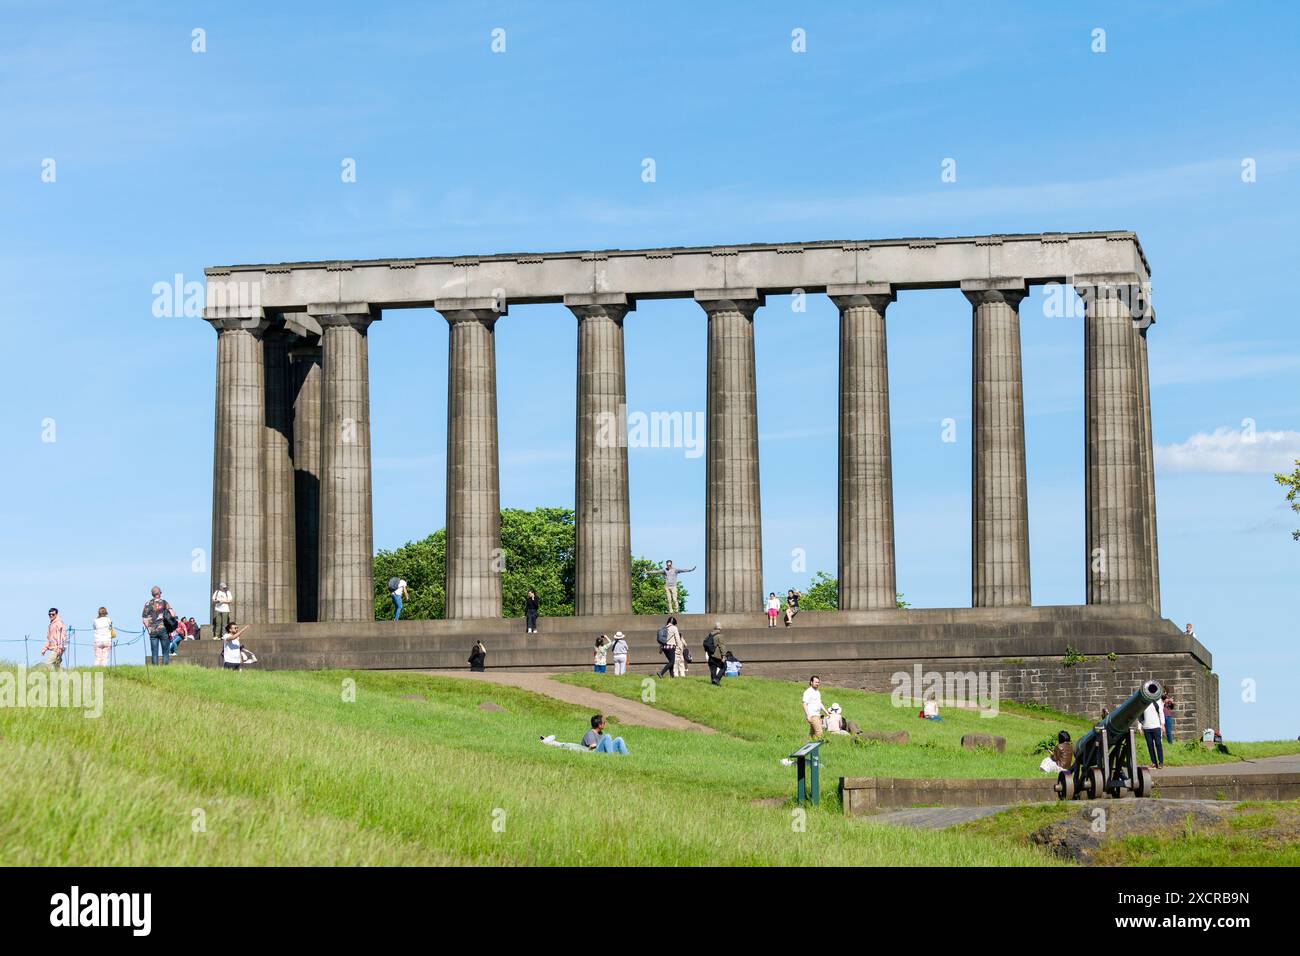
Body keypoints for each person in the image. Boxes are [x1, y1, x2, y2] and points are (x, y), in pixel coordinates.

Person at [142, 586, 175, 666]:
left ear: (152, 594)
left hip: (152, 631)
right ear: (159, 593)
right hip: (163, 629)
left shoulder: (147, 604)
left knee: (154, 651)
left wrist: (148, 629)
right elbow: (173, 614)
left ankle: (155, 669)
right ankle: (165, 668)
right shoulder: (164, 603)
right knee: (165, 651)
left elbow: (144, 619)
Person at [1140, 697, 1165, 769]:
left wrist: (1162, 725)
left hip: (1156, 727)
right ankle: (1154, 762)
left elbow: (1161, 713)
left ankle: (1161, 762)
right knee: (1150, 746)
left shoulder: (1156, 702)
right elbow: (1140, 715)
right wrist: (1140, 727)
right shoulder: (1143, 703)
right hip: (1146, 728)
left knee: (1158, 744)